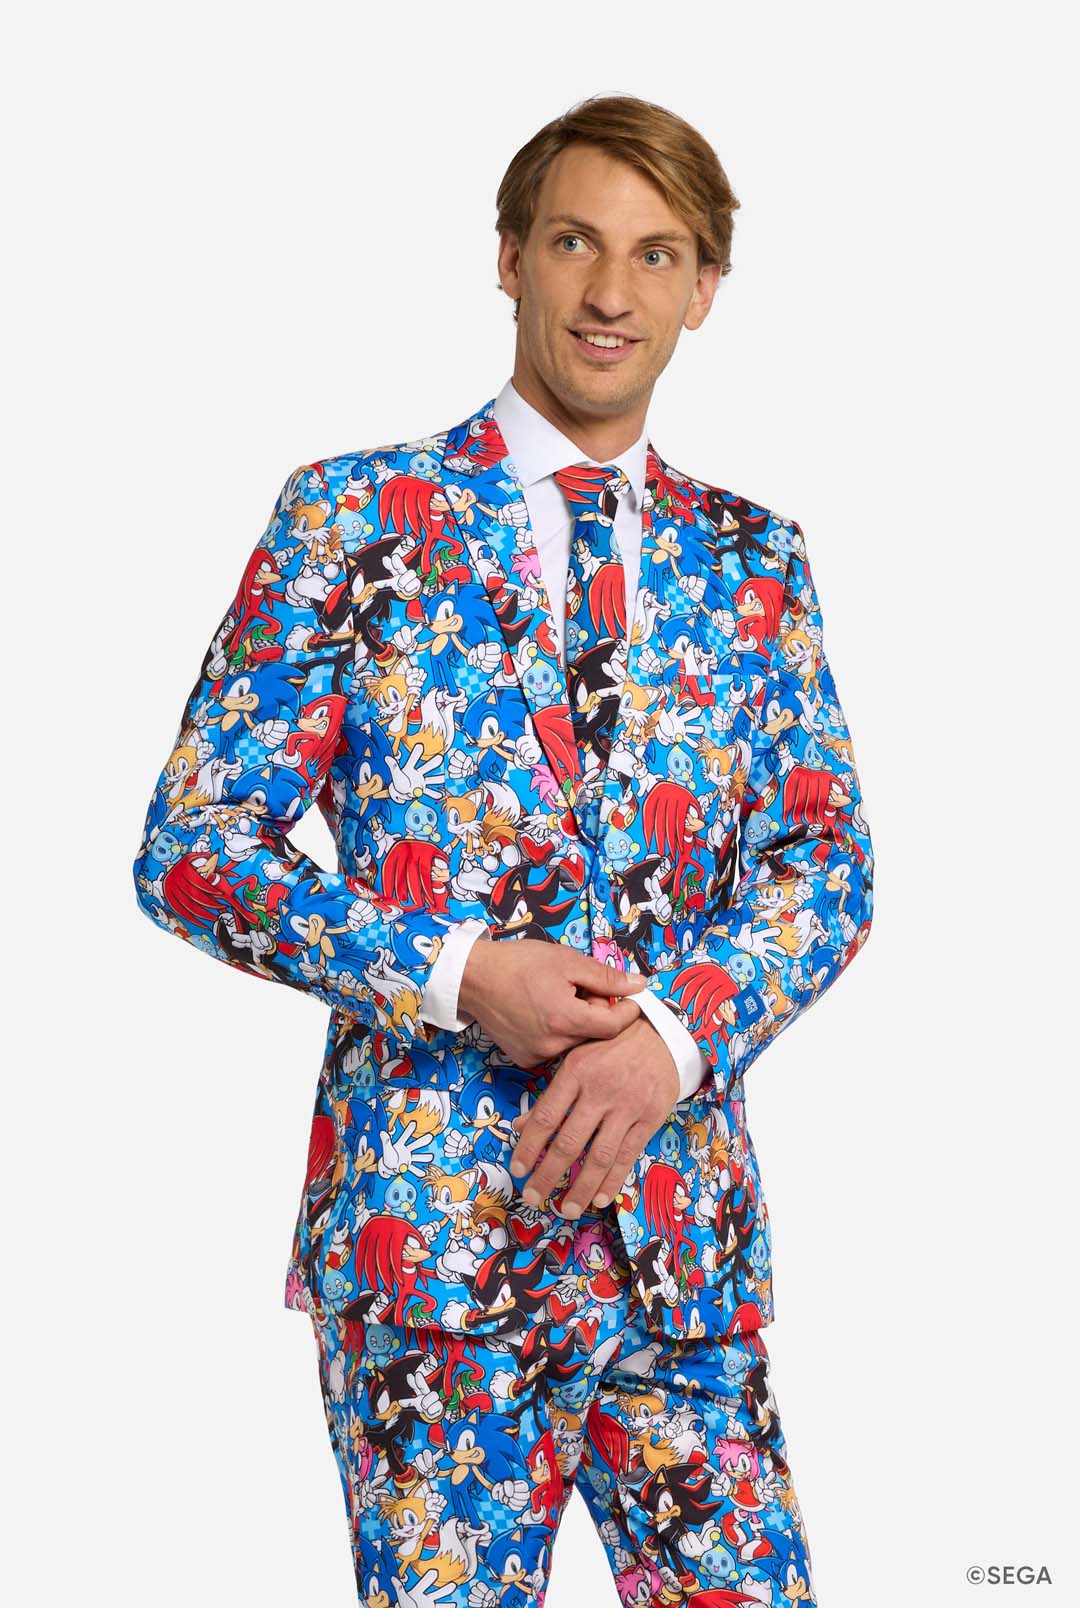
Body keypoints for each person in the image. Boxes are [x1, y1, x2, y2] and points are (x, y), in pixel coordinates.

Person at [133, 92, 874, 1608]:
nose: (612, 292)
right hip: (431, 1254)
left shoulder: (758, 560)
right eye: (576, 242)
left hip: (679, 1254)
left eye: (657, 255)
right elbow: (193, 849)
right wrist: (457, 972)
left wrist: (673, 1041)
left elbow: (829, 867)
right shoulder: (354, 517)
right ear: (509, 257)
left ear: (705, 290)